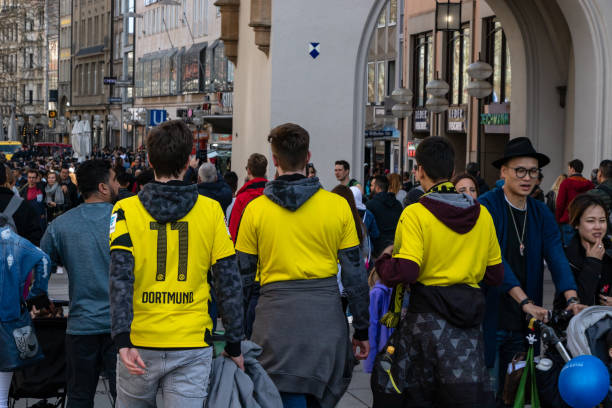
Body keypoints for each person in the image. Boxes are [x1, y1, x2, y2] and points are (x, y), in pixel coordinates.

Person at [109, 120, 244, 407]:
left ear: (149, 159)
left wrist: (121, 338)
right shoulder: (211, 211)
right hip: (191, 341)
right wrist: (234, 342)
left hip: (139, 340)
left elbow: (120, 277)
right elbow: (228, 281)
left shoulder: (125, 209)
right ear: (188, 162)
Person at [235, 123, 369, 407]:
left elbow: (242, 279)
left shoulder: (255, 210)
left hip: (274, 325)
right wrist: (362, 329)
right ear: (308, 157)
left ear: (274, 160)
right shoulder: (337, 207)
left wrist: (237, 335)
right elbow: (355, 275)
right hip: (325, 323)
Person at [372, 136, 503, 407]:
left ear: (419, 170)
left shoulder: (416, 213)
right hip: (468, 323)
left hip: (426, 322)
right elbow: (495, 275)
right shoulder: (483, 215)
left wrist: (383, 264)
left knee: (421, 395)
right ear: (453, 173)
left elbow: (407, 270)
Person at [477, 137, 585, 405]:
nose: (527, 178)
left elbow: (557, 256)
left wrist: (572, 298)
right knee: (488, 391)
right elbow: (495, 261)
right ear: (503, 172)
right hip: (489, 314)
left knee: (517, 392)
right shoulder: (487, 206)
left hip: (525, 320)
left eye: (533, 172)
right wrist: (523, 300)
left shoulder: (539, 212)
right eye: (520, 170)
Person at [41, 160, 120, 407]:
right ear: (103, 187)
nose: (118, 184)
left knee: (78, 397)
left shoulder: (61, 225)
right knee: (126, 397)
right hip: (121, 327)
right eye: (115, 179)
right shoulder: (126, 221)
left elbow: (40, 266)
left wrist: (42, 300)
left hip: (80, 325)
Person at [0, 222, 51, 408]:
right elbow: (44, 259)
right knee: (1, 392)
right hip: (9, 318)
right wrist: (36, 294)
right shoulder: (17, 242)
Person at [552, 194, 612, 309]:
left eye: (602, 220)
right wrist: (593, 262)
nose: (598, 226)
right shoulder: (566, 259)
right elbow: (578, 306)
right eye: (590, 221)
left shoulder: (609, 252)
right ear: (576, 224)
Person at [228, 153, 268, 243]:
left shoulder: (242, 198)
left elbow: (233, 230)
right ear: (265, 171)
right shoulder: (272, 194)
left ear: (249, 171)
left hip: (245, 249)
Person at [556, 159, 594, 246]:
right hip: (584, 220)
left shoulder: (566, 183)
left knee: (569, 250)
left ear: (572, 169)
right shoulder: (590, 184)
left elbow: (560, 204)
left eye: (569, 168)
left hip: (568, 220)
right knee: (584, 249)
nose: (568, 171)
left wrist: (558, 219)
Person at [0, 165, 42, 245]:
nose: (31, 179)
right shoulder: (23, 205)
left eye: (33, 177)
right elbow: (35, 241)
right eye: (30, 177)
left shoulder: (41, 188)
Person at [366, 175, 403, 258]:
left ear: (378, 188)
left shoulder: (370, 205)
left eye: (372, 185)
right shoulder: (397, 204)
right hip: (396, 248)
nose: (370, 188)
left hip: (378, 251)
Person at [364, 267, 393, 374]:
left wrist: (370, 361)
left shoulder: (376, 293)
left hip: (383, 345)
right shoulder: (395, 291)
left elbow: (372, 324)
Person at [351, 185, 379, 269]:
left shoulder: (347, 213)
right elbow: (375, 234)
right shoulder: (368, 214)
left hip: (350, 253)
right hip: (366, 255)